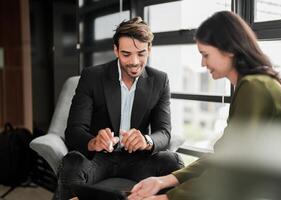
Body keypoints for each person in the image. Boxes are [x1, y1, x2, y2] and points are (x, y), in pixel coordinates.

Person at [128, 11, 281, 200]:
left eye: (205, 54)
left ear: (229, 50)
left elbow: (232, 167)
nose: (202, 63)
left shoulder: (254, 87)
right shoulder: (255, 84)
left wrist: (166, 198)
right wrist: (164, 181)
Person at [54, 17, 184, 200]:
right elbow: (74, 131)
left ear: (149, 49)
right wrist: (94, 142)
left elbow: (164, 132)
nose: (134, 62)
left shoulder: (160, 80)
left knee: (172, 161)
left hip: (139, 160)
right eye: (126, 54)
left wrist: (146, 141)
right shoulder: (92, 76)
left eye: (141, 53)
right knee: (72, 162)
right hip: (98, 159)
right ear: (115, 50)